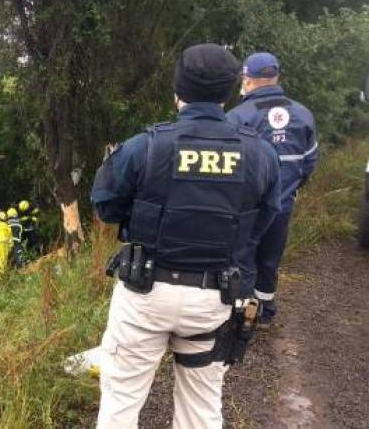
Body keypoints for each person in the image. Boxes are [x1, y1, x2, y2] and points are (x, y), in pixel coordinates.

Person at [91, 43, 281, 428]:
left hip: (144, 295)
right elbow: (265, 219)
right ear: (230, 92)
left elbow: (105, 207)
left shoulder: (145, 146)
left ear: (178, 90)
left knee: (120, 404)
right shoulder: (260, 154)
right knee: (201, 408)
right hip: (213, 298)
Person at [226, 52, 319, 327]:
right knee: (269, 258)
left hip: (247, 208)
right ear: (276, 77)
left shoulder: (237, 117)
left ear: (247, 80)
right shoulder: (303, 114)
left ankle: (241, 317)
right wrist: (290, 190)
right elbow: (309, 162)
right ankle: (265, 312)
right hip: (282, 204)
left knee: (243, 258)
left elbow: (229, 166)